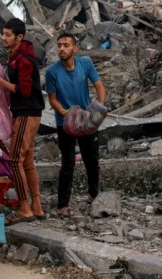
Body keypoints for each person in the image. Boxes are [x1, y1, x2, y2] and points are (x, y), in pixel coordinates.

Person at [0, 18, 46, 224]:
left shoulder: (24, 60)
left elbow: (25, 91)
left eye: (8, 35)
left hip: (26, 113)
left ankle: (24, 207)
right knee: (27, 161)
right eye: (3, 34)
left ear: (19, 37)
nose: (4, 38)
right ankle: (37, 206)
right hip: (31, 113)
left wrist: (0, 82)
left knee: (15, 159)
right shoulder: (18, 56)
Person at [45, 32, 106, 218]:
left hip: (86, 120)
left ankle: (93, 194)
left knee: (91, 158)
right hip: (65, 122)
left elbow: (99, 86)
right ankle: (63, 204)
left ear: (74, 48)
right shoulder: (52, 71)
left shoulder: (85, 63)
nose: (61, 49)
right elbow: (52, 99)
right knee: (68, 162)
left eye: (66, 45)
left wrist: (98, 109)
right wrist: (66, 113)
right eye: (59, 45)